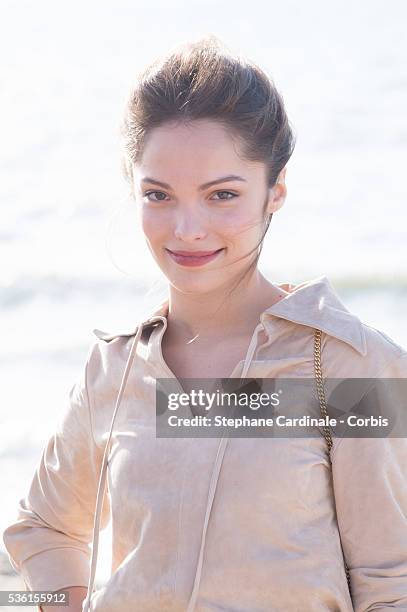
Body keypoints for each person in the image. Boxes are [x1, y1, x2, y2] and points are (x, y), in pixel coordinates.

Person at [3, 35, 407, 612]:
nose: (187, 228)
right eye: (158, 195)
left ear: (276, 191)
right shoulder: (114, 372)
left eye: (222, 195)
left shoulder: (349, 369)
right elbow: (41, 528)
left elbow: (392, 583)